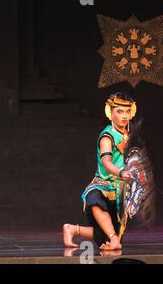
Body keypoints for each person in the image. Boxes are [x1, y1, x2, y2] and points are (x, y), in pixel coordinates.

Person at [62, 92, 137, 251]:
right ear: (110, 112)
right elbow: (107, 162)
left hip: (119, 190)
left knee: (105, 233)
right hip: (103, 186)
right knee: (95, 201)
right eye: (119, 111)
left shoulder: (127, 134)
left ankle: (72, 229)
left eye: (127, 111)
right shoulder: (107, 136)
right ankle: (113, 239)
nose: (124, 116)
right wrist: (122, 173)